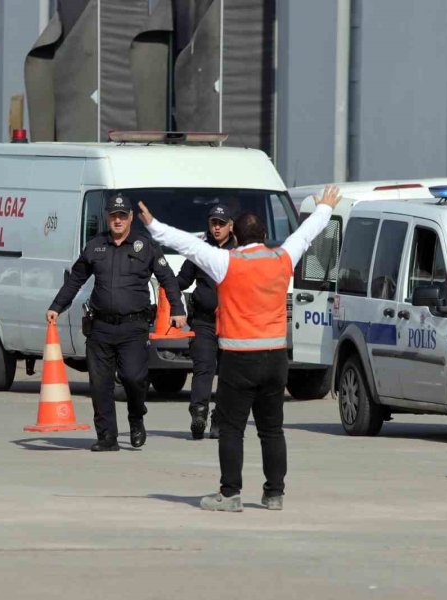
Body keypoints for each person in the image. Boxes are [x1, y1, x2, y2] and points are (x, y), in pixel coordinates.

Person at [136, 186, 340, 511]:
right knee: (272, 429)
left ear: (237, 234)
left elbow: (187, 245)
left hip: (239, 360)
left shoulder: (225, 262)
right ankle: (275, 494)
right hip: (275, 359)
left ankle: (230, 494)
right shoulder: (282, 258)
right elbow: (306, 234)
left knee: (232, 429)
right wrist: (325, 208)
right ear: (264, 235)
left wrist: (153, 225)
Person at [47, 192, 186, 452]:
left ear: (131, 218)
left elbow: (167, 278)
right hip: (100, 327)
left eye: (123, 216)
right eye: (114, 216)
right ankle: (107, 437)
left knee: (134, 378)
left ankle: (136, 418)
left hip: (134, 327)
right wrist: (57, 306)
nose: (118, 221)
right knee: (100, 385)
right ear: (107, 218)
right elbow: (76, 279)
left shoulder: (145, 246)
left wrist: (177, 309)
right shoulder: (95, 246)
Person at [175, 204, 236, 440]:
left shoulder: (240, 252)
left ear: (231, 225)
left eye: (221, 223)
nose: (217, 227)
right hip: (203, 321)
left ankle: (220, 419)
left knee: (229, 374)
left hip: (232, 323)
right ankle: (198, 414)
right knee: (203, 367)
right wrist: (161, 281)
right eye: (213, 223)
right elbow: (182, 280)